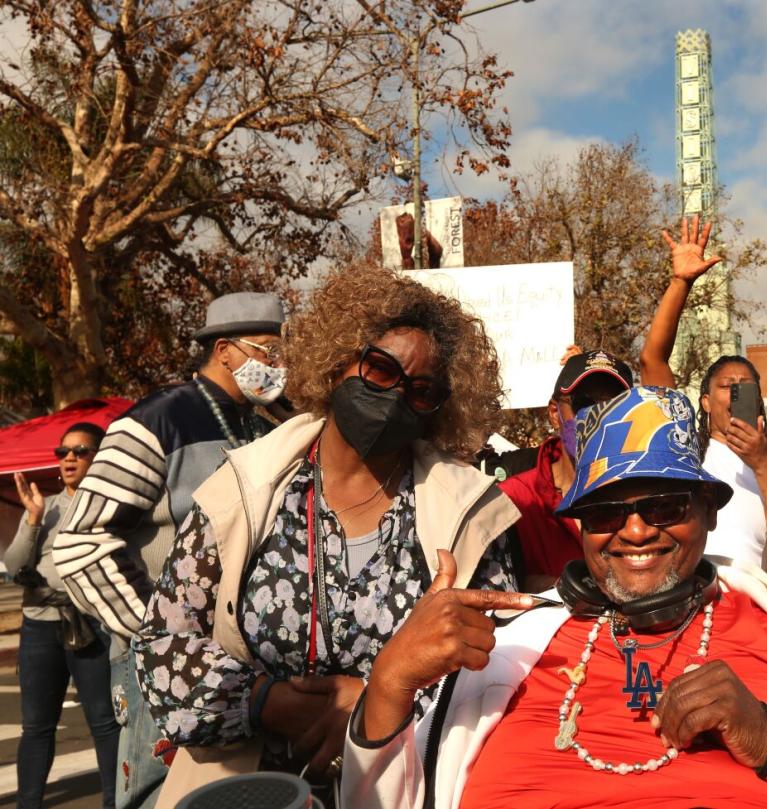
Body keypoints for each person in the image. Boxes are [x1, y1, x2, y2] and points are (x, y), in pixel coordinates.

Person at [341, 385, 767, 809]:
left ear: (708, 512)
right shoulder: (506, 648)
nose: (634, 531)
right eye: (607, 511)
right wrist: (390, 683)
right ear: (579, 526)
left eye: (662, 506)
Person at [129, 263, 520, 803]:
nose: (396, 394)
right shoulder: (244, 488)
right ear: (337, 363)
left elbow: (495, 672)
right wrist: (265, 700)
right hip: (251, 788)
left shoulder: (470, 514)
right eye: (380, 370)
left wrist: (380, 703)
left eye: (422, 389)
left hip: (405, 785)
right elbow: (160, 647)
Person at [51, 291, 285, 809]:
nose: (277, 365)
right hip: (165, 667)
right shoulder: (159, 418)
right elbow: (79, 543)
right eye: (266, 350)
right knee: (161, 797)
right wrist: (156, 634)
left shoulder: (268, 422)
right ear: (224, 350)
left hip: (247, 664)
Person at [639, 216, 767, 571]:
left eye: (744, 387)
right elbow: (652, 359)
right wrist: (680, 283)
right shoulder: (684, 451)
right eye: (725, 386)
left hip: (753, 613)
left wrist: (762, 463)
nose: (735, 393)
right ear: (704, 401)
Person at [5, 424, 120, 809]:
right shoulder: (46, 506)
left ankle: (114, 802)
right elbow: (14, 565)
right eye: (63, 452)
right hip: (41, 626)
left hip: (94, 624)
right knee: (36, 727)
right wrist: (33, 519)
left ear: (98, 457)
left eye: (80, 451)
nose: (69, 458)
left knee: (104, 724)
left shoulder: (114, 506)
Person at [500, 349, 633, 591]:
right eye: (584, 404)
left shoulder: (644, 496)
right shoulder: (513, 500)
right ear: (554, 413)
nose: (598, 417)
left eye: (615, 406)